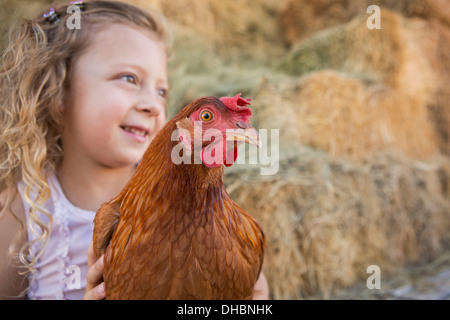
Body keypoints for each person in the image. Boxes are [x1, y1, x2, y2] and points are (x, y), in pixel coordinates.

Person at [0, 0, 269, 300]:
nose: (153, 105)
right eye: (129, 78)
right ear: (57, 89)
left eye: (161, 91)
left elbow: (256, 293)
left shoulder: (201, 202)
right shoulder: (22, 211)